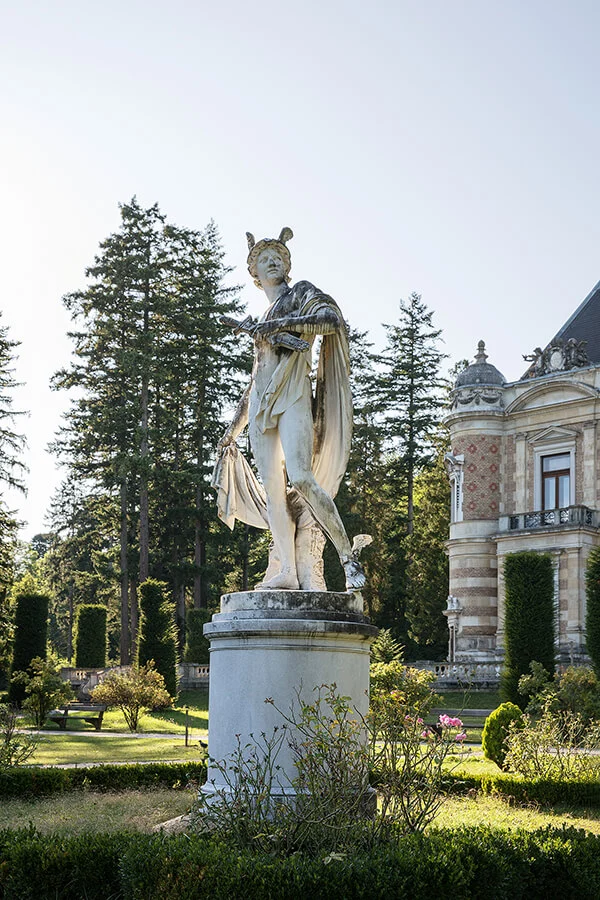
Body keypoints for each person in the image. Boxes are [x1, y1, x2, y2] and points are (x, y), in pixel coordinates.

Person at [213, 228, 369, 591]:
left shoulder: (300, 293)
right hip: (260, 405)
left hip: (294, 395)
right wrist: (231, 431)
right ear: (254, 275)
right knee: (273, 491)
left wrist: (280, 325)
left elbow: (332, 321)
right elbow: (256, 376)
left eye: (278, 257)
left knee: (300, 477)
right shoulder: (261, 314)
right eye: (263, 259)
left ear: (287, 265)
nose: (271, 262)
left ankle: (347, 559)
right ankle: (287, 569)